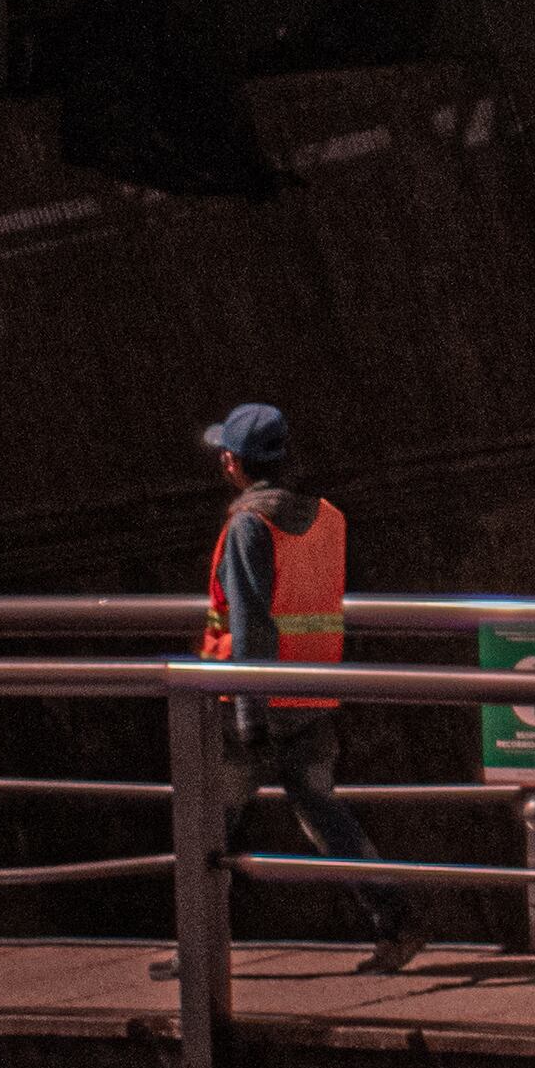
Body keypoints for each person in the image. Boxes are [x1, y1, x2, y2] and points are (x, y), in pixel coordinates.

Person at [196, 402, 415, 974]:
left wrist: (249, 714)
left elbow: (251, 623)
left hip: (252, 702)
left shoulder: (249, 525)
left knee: (208, 825)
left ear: (232, 462)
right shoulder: (327, 518)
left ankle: (200, 950)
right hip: (312, 696)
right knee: (324, 815)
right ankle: (398, 920)